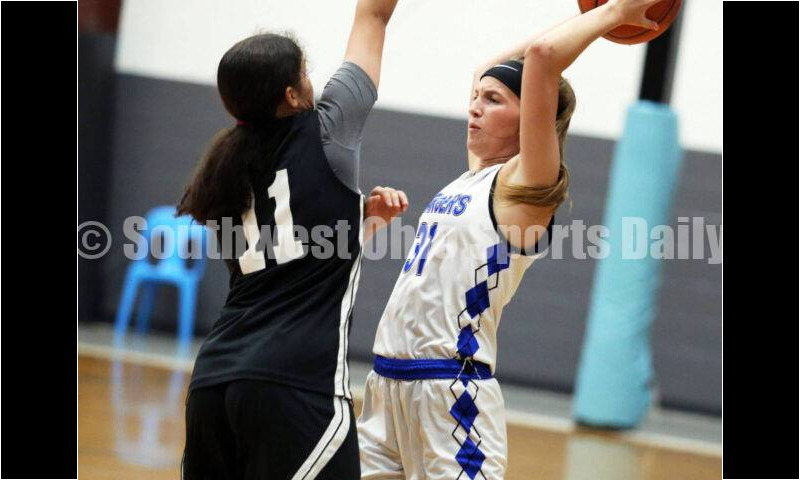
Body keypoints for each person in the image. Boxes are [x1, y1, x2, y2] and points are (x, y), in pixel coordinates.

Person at [356, 0, 662, 478]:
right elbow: (495, 67)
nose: (474, 107)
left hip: (451, 395)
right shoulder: (474, 173)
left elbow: (541, 56)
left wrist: (615, 12)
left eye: (493, 101)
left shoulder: (526, 186)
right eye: (476, 97)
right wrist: (496, 78)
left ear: (530, 120)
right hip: (385, 387)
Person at [176, 1, 406, 478]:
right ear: (293, 95)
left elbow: (284, 250)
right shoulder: (327, 132)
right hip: (295, 385)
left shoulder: (225, 168)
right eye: (306, 72)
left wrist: (356, 220)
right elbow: (374, 16)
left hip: (212, 385)